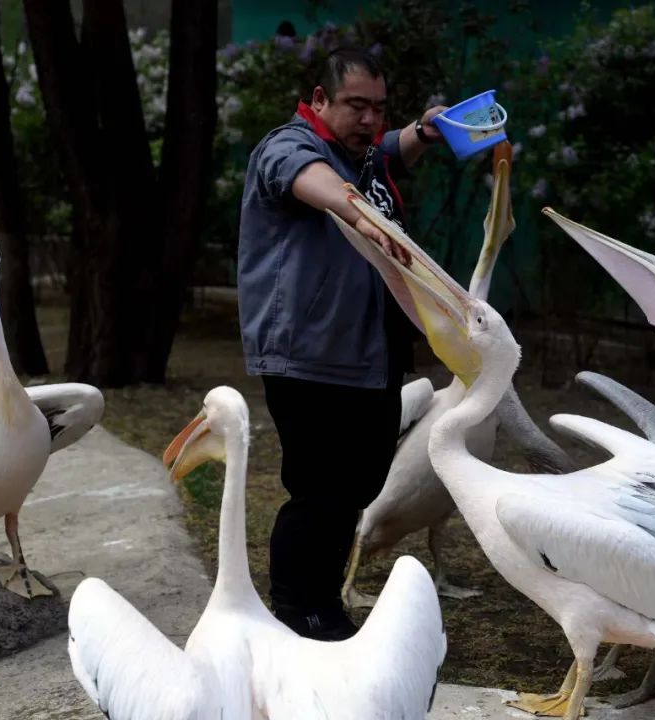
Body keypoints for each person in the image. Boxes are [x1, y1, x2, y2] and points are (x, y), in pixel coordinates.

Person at [237, 47, 446, 641]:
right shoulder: (289, 147)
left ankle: (324, 604)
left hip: (371, 352)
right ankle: (296, 613)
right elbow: (319, 184)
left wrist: (422, 130)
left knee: (357, 486)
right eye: (356, 105)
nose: (370, 119)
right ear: (319, 100)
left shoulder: (363, 153)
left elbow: (386, 151)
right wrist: (363, 218)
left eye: (379, 107)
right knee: (319, 491)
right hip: (309, 356)